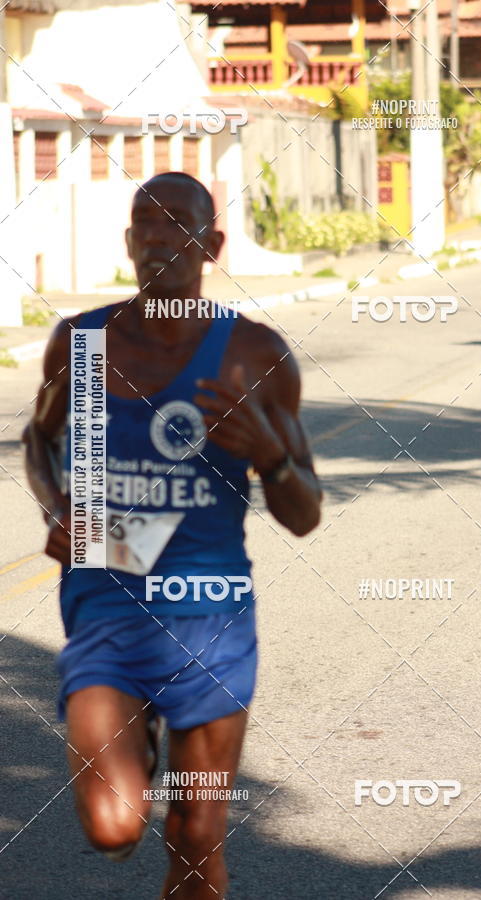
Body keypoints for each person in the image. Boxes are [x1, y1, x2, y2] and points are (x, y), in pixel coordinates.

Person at [22, 171, 322, 899]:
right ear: (128, 241)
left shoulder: (253, 355)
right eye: (143, 223)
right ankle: (140, 736)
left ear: (211, 245)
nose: (158, 238)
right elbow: (39, 440)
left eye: (178, 224)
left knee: (194, 840)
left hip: (211, 611)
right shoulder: (82, 342)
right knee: (114, 825)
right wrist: (57, 506)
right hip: (108, 600)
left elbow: (305, 511)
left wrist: (270, 454)